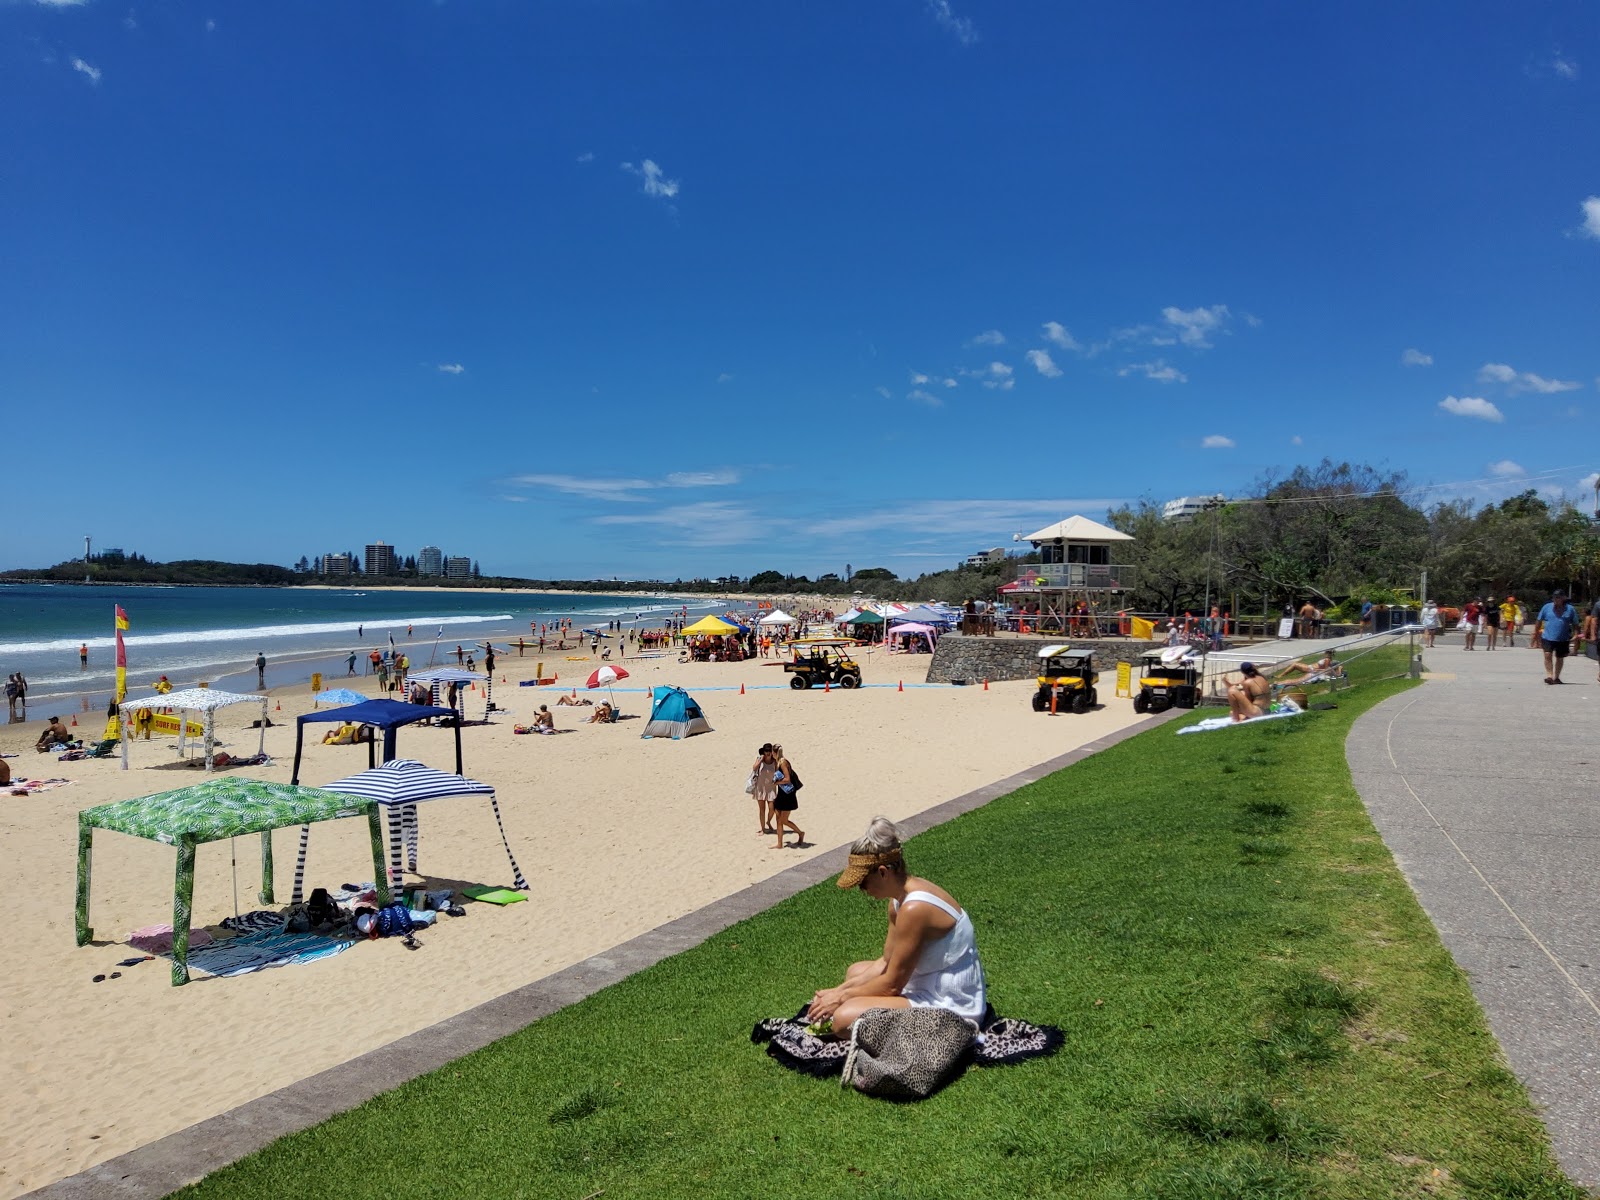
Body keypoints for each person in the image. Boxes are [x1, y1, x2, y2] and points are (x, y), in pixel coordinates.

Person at [805, 817, 986, 1035]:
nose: (862, 889)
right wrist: (837, 991)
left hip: (950, 1003)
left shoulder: (915, 908)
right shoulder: (899, 900)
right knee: (855, 972)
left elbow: (892, 985)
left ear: (883, 872)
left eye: (863, 881)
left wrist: (841, 999)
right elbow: (886, 961)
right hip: (925, 980)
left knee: (843, 1020)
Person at [1535, 590, 1580, 684]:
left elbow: (1576, 623)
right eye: (1554, 597)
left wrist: (1576, 634)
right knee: (1547, 655)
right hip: (1547, 636)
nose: (1556, 599)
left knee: (1559, 657)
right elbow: (1539, 621)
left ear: (1563, 598)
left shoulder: (1570, 609)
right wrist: (1536, 634)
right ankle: (1549, 676)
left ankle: (1557, 677)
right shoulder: (1546, 607)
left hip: (1563, 638)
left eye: (1558, 597)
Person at [771, 744, 805, 849]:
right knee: (778, 819)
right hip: (781, 794)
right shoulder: (778, 763)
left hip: (788, 794)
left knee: (783, 820)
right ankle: (779, 844)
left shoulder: (783, 763)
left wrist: (776, 783)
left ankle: (800, 833)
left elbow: (787, 779)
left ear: (775, 753)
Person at [749, 743, 779, 835]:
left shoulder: (775, 761)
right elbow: (754, 768)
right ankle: (763, 829)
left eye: (769, 751)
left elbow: (779, 771)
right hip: (760, 788)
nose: (768, 753)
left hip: (771, 788)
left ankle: (768, 822)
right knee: (762, 809)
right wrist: (760, 760)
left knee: (772, 808)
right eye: (766, 751)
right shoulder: (760, 760)